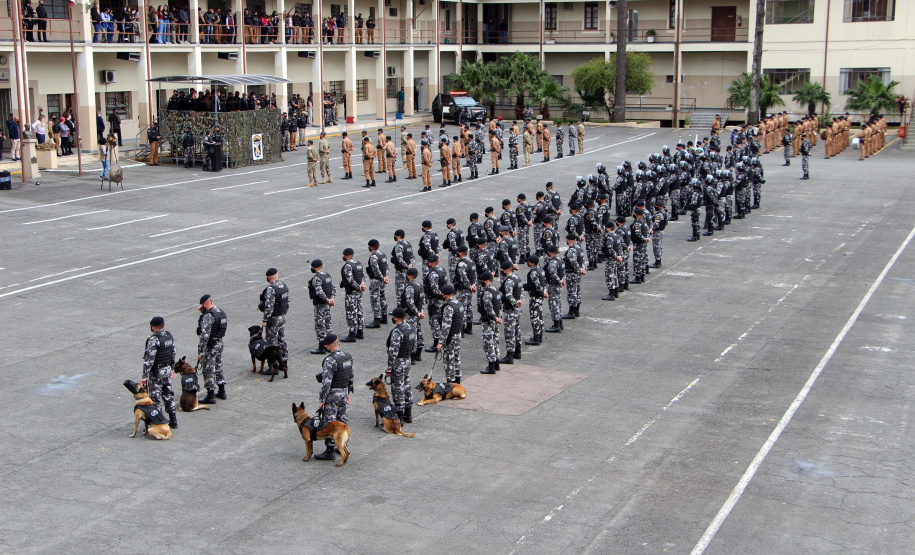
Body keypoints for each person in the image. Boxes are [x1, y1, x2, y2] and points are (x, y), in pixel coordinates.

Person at [314, 334, 353, 461]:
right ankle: (342, 443)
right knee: (342, 419)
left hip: (333, 394)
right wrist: (348, 393)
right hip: (343, 392)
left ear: (330, 345)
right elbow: (350, 376)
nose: (324, 347)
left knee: (330, 422)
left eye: (326, 345)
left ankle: (330, 450)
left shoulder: (330, 360)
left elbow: (326, 383)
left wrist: (321, 400)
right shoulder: (347, 357)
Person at [141, 316, 178, 429]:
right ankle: (173, 419)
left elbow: (149, 359)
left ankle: (159, 421)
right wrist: (172, 367)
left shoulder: (154, 339)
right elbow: (173, 352)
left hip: (156, 372)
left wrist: (144, 376)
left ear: (154, 326)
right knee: (168, 394)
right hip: (166, 369)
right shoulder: (168, 336)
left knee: (155, 397)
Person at [195, 294, 227, 403]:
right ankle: (222, 391)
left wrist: (201, 351)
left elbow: (204, 335)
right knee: (218, 366)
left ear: (204, 304)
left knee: (208, 369)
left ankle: (210, 395)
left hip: (210, 345)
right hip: (219, 343)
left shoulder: (208, 316)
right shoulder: (220, 312)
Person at [386, 307, 416, 422]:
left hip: (398, 362)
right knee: (407, 385)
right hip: (407, 360)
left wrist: (389, 368)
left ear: (396, 318)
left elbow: (393, 351)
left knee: (398, 388)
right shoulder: (411, 328)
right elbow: (414, 345)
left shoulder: (397, 331)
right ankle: (408, 414)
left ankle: (400, 417)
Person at [260, 267, 290, 372]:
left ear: (268, 277)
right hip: (282, 316)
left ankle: (274, 367)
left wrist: (265, 320)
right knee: (282, 339)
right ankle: (284, 362)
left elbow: (269, 306)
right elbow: (287, 303)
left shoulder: (271, 289)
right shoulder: (283, 286)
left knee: (272, 342)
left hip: (273, 318)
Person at [437, 285, 464, 384]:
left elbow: (446, 326)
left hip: (450, 337)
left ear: (446, 294)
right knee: (456, 358)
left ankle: (450, 383)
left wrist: (441, 342)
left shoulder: (449, 307)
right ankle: (457, 382)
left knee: (449, 360)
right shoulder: (458, 303)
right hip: (457, 334)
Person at [498, 260, 523, 364]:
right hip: (517, 309)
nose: (502, 271)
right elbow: (521, 292)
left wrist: (515, 303)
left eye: (503, 269)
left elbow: (508, 295)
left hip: (510, 309)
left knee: (509, 332)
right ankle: (518, 351)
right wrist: (519, 302)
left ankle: (509, 355)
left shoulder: (509, 280)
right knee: (517, 329)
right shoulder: (517, 278)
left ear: (507, 269)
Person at [308, 259, 335, 355]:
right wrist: (331, 299)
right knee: (328, 323)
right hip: (327, 304)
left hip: (320, 304)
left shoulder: (317, 278)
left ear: (315, 268)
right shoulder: (327, 275)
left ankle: (322, 346)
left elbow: (319, 292)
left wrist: (327, 300)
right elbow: (333, 288)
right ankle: (330, 344)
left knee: (320, 325)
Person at [339, 248, 366, 343]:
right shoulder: (358, 263)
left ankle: (352, 334)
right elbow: (363, 276)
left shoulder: (348, 265)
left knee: (351, 313)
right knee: (359, 311)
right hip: (359, 293)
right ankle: (360, 331)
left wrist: (358, 287)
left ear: (345, 255)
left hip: (351, 293)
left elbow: (350, 280)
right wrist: (362, 285)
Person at [478, 271, 502, 374]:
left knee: (488, 343)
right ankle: (496, 363)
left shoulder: (487, 292)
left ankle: (491, 366)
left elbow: (488, 308)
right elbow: (499, 306)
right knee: (495, 340)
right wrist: (498, 317)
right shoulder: (495, 290)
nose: (481, 283)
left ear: (486, 281)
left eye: (482, 281)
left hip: (488, 321)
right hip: (495, 320)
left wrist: (494, 317)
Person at [401, 268, 425, 362]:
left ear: (409, 276)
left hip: (411, 314)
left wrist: (416, 312)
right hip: (418, 313)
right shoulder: (419, 285)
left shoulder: (410, 287)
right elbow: (422, 300)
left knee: (412, 334)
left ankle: (412, 355)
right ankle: (419, 353)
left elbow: (410, 303)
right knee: (419, 331)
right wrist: (421, 311)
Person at [365, 239, 389, 329]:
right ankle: (384, 316)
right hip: (382, 280)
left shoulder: (374, 256)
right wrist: (385, 277)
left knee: (375, 299)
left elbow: (375, 269)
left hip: (376, 280)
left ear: (370, 247)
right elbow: (386, 266)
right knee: (382, 296)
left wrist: (382, 277)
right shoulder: (382, 254)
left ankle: (376, 320)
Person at [543, 245, 565, 333]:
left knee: (554, 304)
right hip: (558, 285)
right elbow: (562, 272)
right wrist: (562, 280)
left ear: (550, 252)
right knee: (558, 303)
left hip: (554, 285)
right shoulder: (560, 260)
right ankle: (560, 322)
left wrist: (559, 281)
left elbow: (553, 274)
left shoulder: (553, 262)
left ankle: (556, 325)